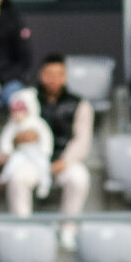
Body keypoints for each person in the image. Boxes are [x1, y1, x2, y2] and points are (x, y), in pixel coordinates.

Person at [36, 54, 93, 248]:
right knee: (18, 178)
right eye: (49, 74)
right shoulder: (27, 99)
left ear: (65, 77)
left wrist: (64, 161)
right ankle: (23, 227)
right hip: (33, 161)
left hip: (62, 161)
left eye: (58, 74)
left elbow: (82, 140)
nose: (53, 79)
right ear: (41, 75)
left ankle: (68, 230)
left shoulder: (80, 104)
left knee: (79, 177)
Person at [0, 88, 53, 214]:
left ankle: (45, 185)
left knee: (43, 166)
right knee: (13, 166)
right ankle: (3, 178)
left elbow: (46, 138)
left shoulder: (38, 123)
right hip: (19, 154)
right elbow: (6, 140)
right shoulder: (12, 125)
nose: (18, 114)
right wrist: (9, 149)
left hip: (36, 155)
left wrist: (45, 151)